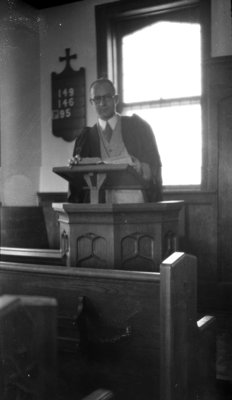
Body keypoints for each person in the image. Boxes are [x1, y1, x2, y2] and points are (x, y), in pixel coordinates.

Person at [68, 77, 162, 203]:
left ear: (116, 99)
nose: (102, 103)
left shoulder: (138, 128)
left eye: (107, 97)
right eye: (97, 99)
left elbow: (154, 167)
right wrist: (76, 166)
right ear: (91, 102)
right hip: (102, 206)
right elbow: (78, 186)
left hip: (135, 204)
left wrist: (140, 166)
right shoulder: (86, 138)